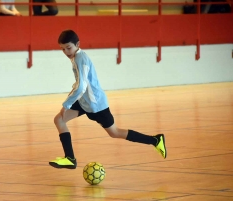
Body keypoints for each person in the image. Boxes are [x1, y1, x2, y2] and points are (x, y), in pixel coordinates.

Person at [49, 30, 167, 169]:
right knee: (59, 120)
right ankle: (70, 158)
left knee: (114, 132)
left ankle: (155, 140)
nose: (66, 52)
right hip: (84, 102)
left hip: (96, 105)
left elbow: (81, 86)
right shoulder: (76, 57)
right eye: (63, 49)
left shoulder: (81, 58)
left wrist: (66, 104)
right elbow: (80, 83)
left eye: (69, 48)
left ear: (78, 44)